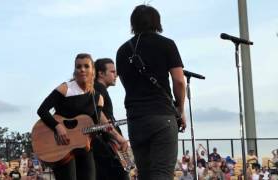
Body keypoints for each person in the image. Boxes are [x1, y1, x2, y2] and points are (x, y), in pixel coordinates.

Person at [116, 4, 186, 180]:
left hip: (135, 118)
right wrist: (180, 108)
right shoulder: (167, 45)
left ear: (133, 23)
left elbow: (125, 83)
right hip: (162, 115)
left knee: (145, 174)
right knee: (162, 173)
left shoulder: (122, 51)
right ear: (157, 21)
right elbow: (179, 80)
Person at [37, 53, 128, 180]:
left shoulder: (98, 98)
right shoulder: (65, 89)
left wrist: (117, 138)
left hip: (84, 147)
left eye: (86, 66)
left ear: (93, 70)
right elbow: (42, 110)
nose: (82, 69)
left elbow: (100, 126)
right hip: (62, 146)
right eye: (78, 66)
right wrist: (57, 126)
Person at [93, 58, 130, 180]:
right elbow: (99, 115)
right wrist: (119, 138)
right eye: (113, 72)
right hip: (109, 143)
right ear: (101, 73)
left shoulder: (99, 89)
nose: (116, 75)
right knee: (123, 174)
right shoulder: (99, 88)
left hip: (109, 142)